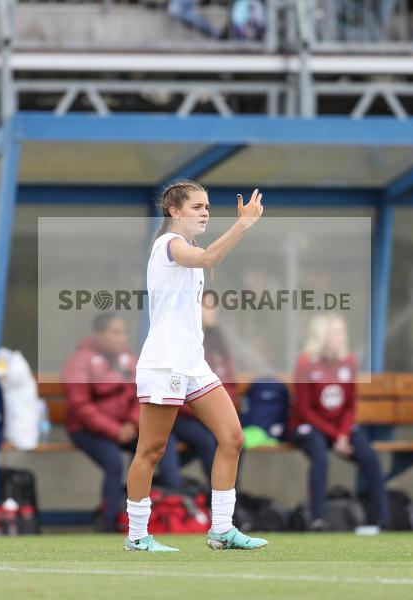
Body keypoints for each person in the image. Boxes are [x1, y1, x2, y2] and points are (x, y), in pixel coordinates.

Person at [124, 180, 267, 552]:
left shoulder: (189, 247)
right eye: (197, 207)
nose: (205, 212)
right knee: (151, 451)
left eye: (207, 207)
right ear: (174, 211)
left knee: (233, 438)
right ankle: (137, 536)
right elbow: (206, 260)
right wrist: (243, 226)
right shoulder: (168, 244)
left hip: (193, 364)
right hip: (165, 363)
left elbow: (205, 260)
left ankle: (221, 530)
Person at [63, 313, 182, 533]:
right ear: (100, 335)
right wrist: (115, 429)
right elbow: (80, 406)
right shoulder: (80, 360)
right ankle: (108, 526)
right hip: (88, 430)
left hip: (127, 428)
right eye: (115, 332)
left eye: (123, 332)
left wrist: (132, 424)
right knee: (114, 463)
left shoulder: (128, 358)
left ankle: (174, 507)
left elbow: (142, 394)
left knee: (160, 443)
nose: (121, 338)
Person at [290, 313, 390, 530]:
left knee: (369, 455)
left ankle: (383, 518)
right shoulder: (306, 363)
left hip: (339, 429)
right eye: (336, 332)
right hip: (310, 427)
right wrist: (336, 436)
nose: (342, 336)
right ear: (322, 335)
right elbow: (304, 410)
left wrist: (343, 434)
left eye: (342, 332)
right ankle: (317, 519)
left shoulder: (349, 361)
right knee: (320, 456)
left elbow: (349, 407)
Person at [172, 303, 241, 483]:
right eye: (207, 306)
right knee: (206, 440)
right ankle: (214, 495)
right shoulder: (181, 340)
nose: (213, 310)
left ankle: (232, 496)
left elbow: (229, 380)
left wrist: (224, 408)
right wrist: (207, 411)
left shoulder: (217, 340)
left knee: (236, 437)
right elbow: (176, 386)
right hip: (183, 416)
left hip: (211, 413)